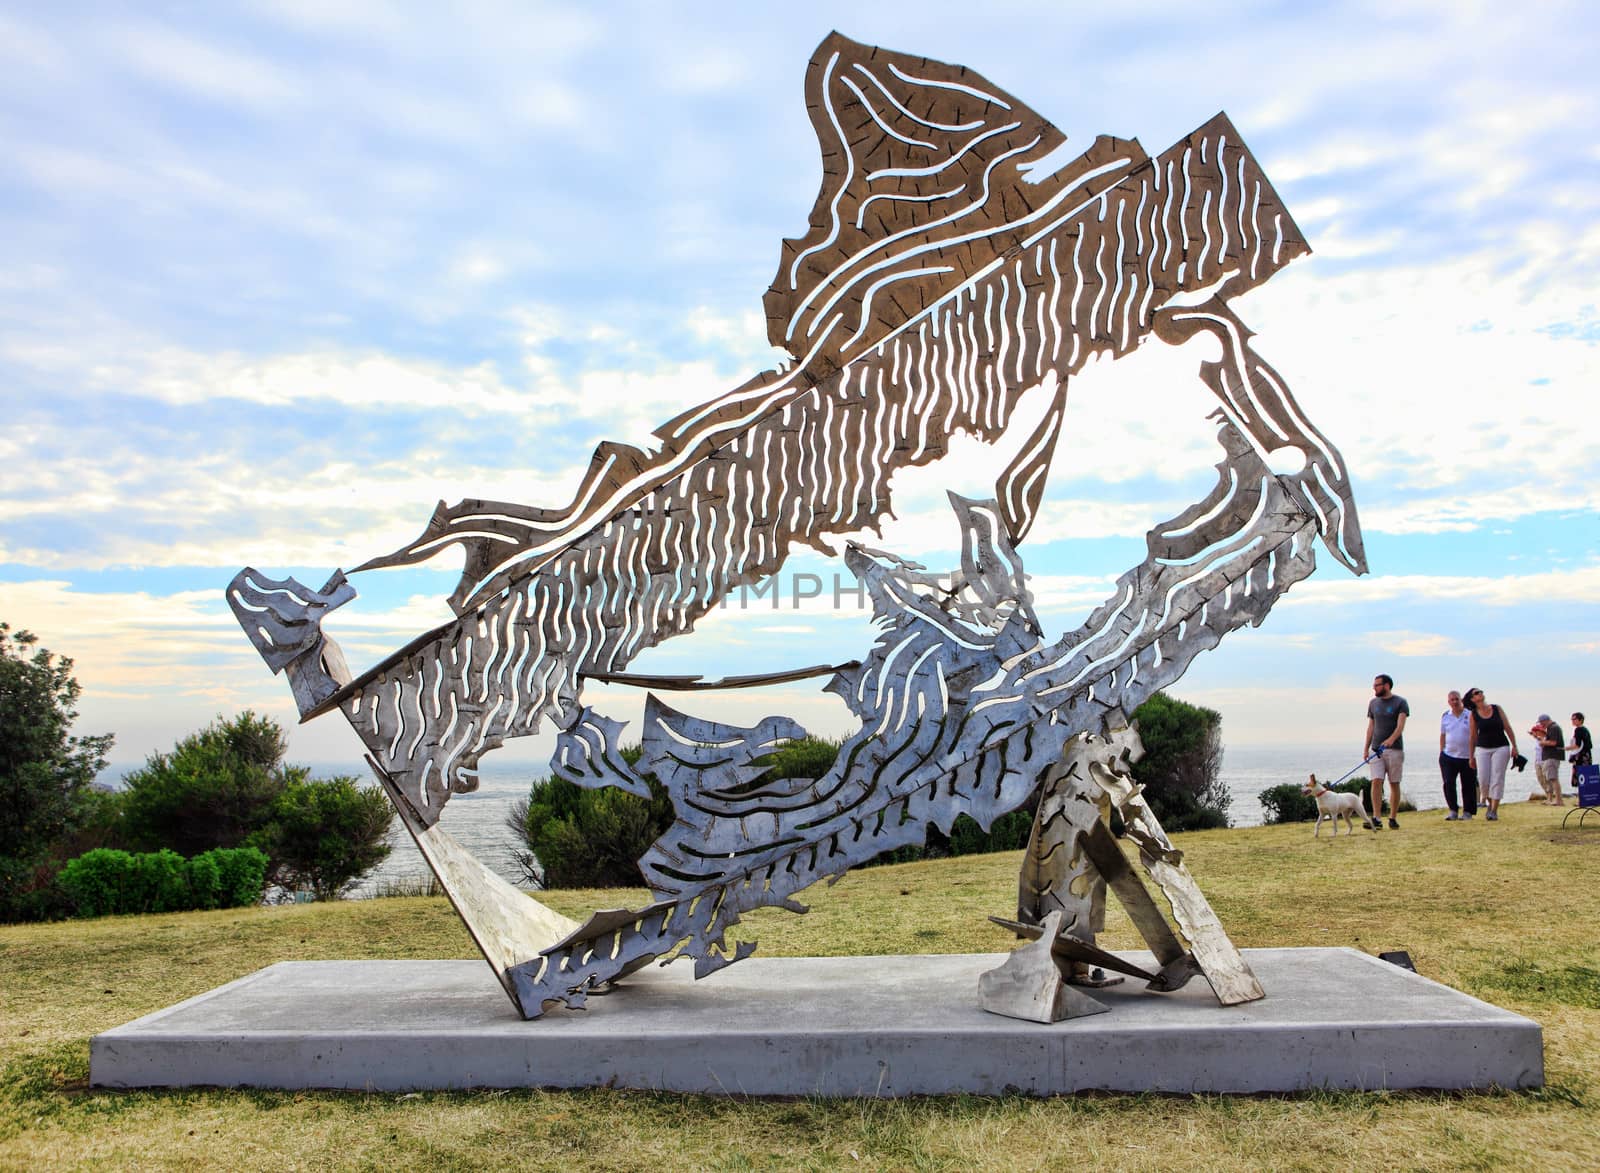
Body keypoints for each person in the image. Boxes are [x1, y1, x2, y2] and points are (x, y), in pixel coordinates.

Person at [1466, 687, 1518, 821]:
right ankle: (1489, 803)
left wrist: (1514, 746)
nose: (1480, 694)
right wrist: (1471, 756)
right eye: (1476, 693)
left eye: (1481, 691)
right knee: (1483, 780)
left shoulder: (1496, 709)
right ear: (1472, 699)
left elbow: (1507, 727)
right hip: (1483, 748)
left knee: (1497, 777)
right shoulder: (1474, 714)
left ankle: (1494, 810)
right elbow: (1472, 736)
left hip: (1501, 746)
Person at [1365, 673, 1409, 829]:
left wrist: (1391, 739)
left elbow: (1400, 725)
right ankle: (1376, 818)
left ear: (1386, 685)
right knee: (1376, 781)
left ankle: (1392, 817)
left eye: (1377, 685)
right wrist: (1366, 749)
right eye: (1374, 685)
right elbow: (1371, 727)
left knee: (1394, 783)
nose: (1374, 687)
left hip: (1394, 750)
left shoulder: (1400, 702)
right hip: (1376, 750)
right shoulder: (1373, 703)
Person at [1438, 690, 1477, 820]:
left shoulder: (1470, 715)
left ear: (1461, 700)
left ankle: (1468, 812)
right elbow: (1443, 735)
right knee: (1448, 783)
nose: (1454, 702)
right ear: (1449, 702)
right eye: (1452, 700)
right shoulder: (1446, 716)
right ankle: (1453, 810)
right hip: (1449, 756)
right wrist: (1441, 751)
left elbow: (1473, 735)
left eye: (1457, 699)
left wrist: (1473, 755)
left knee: (1468, 785)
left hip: (1466, 756)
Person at [1535, 714, 1565, 805]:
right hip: (1552, 756)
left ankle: (1559, 800)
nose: (1541, 725)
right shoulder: (1552, 728)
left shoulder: (1553, 728)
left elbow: (1553, 742)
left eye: (1541, 723)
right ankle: (1558, 800)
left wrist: (1542, 742)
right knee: (1552, 778)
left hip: (1552, 756)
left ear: (1545, 720)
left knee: (1553, 778)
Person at [1568, 712, 1592, 789]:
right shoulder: (1585, 730)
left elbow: (1577, 745)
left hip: (1580, 756)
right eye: (1572, 719)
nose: (1572, 721)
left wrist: (1566, 748)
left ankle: (1581, 795)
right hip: (1587, 755)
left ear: (1580, 720)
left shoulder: (1578, 730)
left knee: (1580, 776)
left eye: (1574, 719)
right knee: (1586, 775)